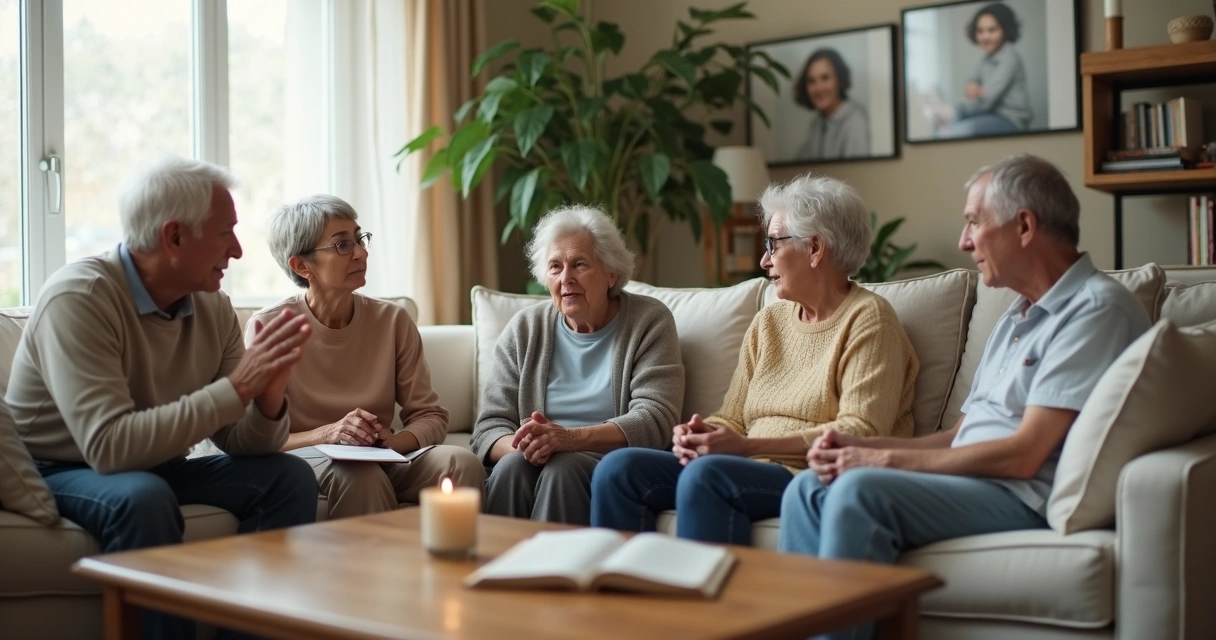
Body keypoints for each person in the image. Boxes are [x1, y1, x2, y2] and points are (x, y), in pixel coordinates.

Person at [778, 155, 1151, 640]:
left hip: (1021, 494)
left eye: (974, 222)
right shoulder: (1017, 317)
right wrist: (858, 453)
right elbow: (960, 436)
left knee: (859, 489)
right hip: (980, 480)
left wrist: (880, 461)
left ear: (1023, 226)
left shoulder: (1095, 311)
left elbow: (1024, 455)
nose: (964, 241)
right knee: (807, 489)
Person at [5, 155, 319, 640]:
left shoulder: (213, 306)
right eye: (224, 233)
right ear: (173, 237)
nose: (236, 250)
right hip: (63, 466)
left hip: (157, 462)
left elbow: (242, 442)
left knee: (289, 477)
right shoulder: (80, 297)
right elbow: (110, 449)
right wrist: (237, 388)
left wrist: (268, 398)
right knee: (142, 496)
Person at [590, 175, 919, 545]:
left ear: (814, 248)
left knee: (708, 476)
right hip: (744, 464)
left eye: (774, 244)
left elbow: (861, 433)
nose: (764, 260)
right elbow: (733, 416)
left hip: (807, 476)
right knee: (619, 469)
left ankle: (708, 599)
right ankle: (620, 596)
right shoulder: (771, 321)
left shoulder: (869, 320)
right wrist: (701, 434)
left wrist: (748, 448)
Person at [251, 195, 484, 519]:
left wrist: (393, 444)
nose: (361, 253)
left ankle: (460, 566)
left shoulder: (392, 320)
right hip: (308, 458)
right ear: (302, 266)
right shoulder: (269, 326)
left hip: (380, 456)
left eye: (359, 239)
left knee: (461, 463)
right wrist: (330, 434)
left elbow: (431, 415)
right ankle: (377, 570)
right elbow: (255, 438)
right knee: (361, 476)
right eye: (342, 245)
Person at [471, 205, 684, 525]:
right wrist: (529, 448)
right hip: (536, 458)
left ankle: (554, 574)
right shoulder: (525, 329)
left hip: (611, 464)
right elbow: (489, 428)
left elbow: (655, 420)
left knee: (564, 468)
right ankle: (496, 570)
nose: (565, 278)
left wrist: (569, 439)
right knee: (512, 468)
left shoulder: (648, 321)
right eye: (555, 267)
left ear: (612, 273)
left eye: (579, 264)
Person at [935, 2, 1033, 138]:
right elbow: (973, 82)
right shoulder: (986, 59)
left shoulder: (1010, 58)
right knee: (945, 127)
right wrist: (973, 86)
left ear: (1005, 30)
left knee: (953, 131)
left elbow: (986, 101)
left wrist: (955, 111)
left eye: (992, 30)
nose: (985, 37)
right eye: (980, 31)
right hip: (990, 115)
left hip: (1011, 120)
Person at [794, 48, 871, 160]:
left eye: (825, 78)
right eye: (811, 81)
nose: (819, 88)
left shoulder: (856, 121)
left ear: (839, 79)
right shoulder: (816, 124)